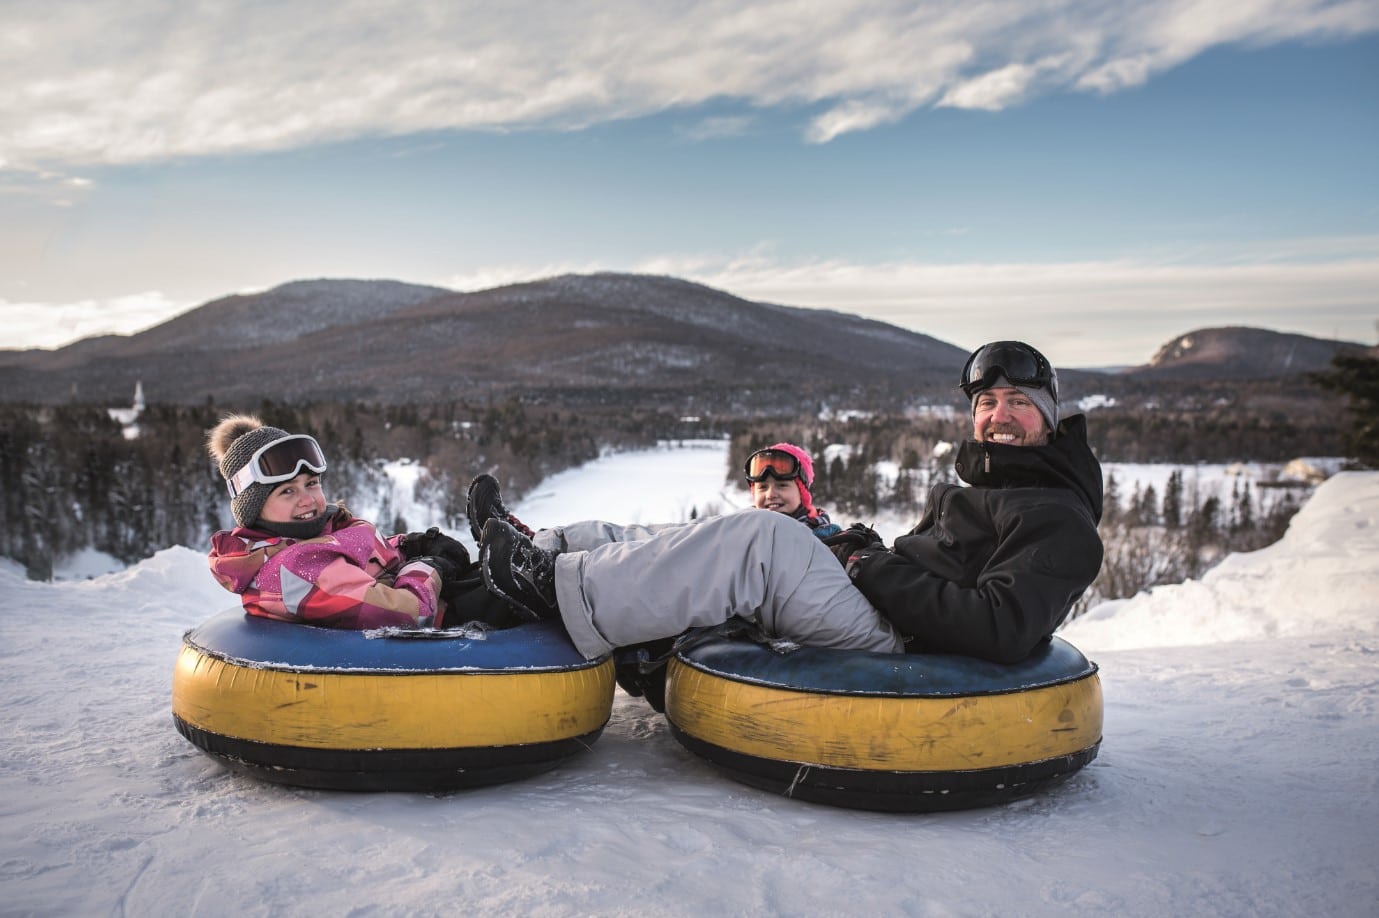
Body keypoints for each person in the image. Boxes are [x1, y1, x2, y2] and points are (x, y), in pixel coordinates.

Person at [479, 339, 1102, 670]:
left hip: (906, 647)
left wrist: (868, 567)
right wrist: (866, 551)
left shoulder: (1057, 520)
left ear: (1047, 417)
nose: (999, 417)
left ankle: (563, 593)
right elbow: (932, 570)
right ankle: (546, 548)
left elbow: (999, 628)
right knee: (708, 532)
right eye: (986, 404)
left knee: (761, 536)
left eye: (1017, 402)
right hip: (883, 610)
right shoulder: (988, 491)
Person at [206, 414, 515, 630]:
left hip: (432, 594)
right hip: (439, 623)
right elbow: (410, 613)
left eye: (311, 483)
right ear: (254, 508)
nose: (307, 499)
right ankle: (521, 563)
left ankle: (518, 545)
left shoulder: (309, 535)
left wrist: (409, 545)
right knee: (512, 590)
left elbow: (361, 557)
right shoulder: (294, 568)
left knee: (505, 568)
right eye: (287, 491)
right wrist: (430, 564)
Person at [743, 442, 842, 539]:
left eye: (782, 485)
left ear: (802, 494)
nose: (770, 494)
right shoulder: (744, 533)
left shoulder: (827, 540)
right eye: (763, 487)